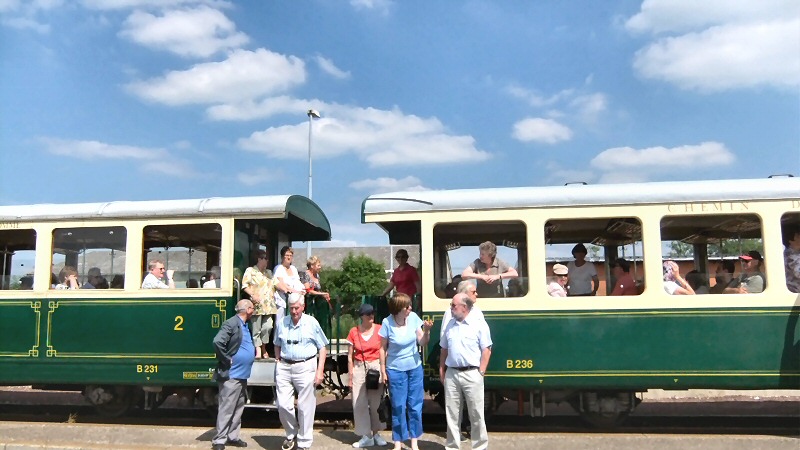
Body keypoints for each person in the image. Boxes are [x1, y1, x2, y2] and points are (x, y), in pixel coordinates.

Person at [274, 293, 329, 450]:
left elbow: (322, 347)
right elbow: (277, 342)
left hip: (305, 365)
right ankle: (291, 434)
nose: (294, 311)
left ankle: (304, 443)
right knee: (283, 404)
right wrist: (278, 358)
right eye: (291, 308)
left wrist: (320, 371)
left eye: (296, 308)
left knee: (306, 407)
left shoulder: (311, 322)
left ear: (303, 307)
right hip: (284, 365)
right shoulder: (282, 323)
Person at [379, 293, 433, 450]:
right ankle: (398, 441)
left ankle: (414, 440)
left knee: (415, 405)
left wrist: (427, 331)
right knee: (398, 406)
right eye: (407, 306)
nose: (410, 308)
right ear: (398, 309)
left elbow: (422, 341)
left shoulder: (414, 317)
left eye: (410, 306)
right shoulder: (387, 322)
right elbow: (382, 348)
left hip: (414, 367)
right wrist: (383, 370)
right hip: (395, 369)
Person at [439, 293, 492, 450]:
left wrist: (480, 371)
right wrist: (442, 370)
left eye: (453, 305)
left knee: (476, 413)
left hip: (472, 373)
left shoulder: (479, 325)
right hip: (452, 373)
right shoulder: (450, 325)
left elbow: (487, 350)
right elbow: (444, 350)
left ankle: (480, 447)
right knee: (452, 414)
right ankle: (452, 447)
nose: (451, 308)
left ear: (464, 307)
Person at [211, 299, 256, 450]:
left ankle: (233, 436)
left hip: (242, 375)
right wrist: (226, 359)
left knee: (238, 407)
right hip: (232, 374)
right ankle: (219, 440)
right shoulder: (231, 323)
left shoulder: (244, 324)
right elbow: (217, 342)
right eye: (252, 308)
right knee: (227, 407)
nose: (254, 310)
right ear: (248, 309)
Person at [346, 303, 388, 448]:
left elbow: (384, 349)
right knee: (359, 402)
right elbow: (350, 355)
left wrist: (383, 369)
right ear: (362, 316)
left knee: (376, 402)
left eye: (372, 313)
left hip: (375, 365)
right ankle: (366, 435)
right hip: (359, 366)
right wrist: (350, 376)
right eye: (368, 314)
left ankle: (376, 433)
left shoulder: (380, 329)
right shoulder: (354, 331)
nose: (371, 316)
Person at [242, 250, 285, 358]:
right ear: (259, 259)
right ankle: (258, 349)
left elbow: (277, 283)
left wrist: (289, 289)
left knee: (268, 327)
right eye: (265, 259)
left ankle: (264, 346)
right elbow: (245, 285)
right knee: (256, 328)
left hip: (269, 306)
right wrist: (252, 295)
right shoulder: (251, 271)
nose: (267, 261)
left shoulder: (269, 273)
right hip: (257, 305)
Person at [273, 246, 305, 322]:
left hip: (294, 300)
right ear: (282, 256)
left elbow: (298, 282)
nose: (289, 257)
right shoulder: (278, 268)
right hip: (282, 300)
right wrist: (294, 291)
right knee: (280, 321)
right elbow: (281, 284)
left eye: (290, 256)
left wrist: (302, 290)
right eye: (287, 255)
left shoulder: (293, 268)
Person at [783, 225, 800, 293]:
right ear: (791, 241)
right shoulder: (791, 255)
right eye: (798, 237)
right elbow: (798, 273)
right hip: (795, 292)